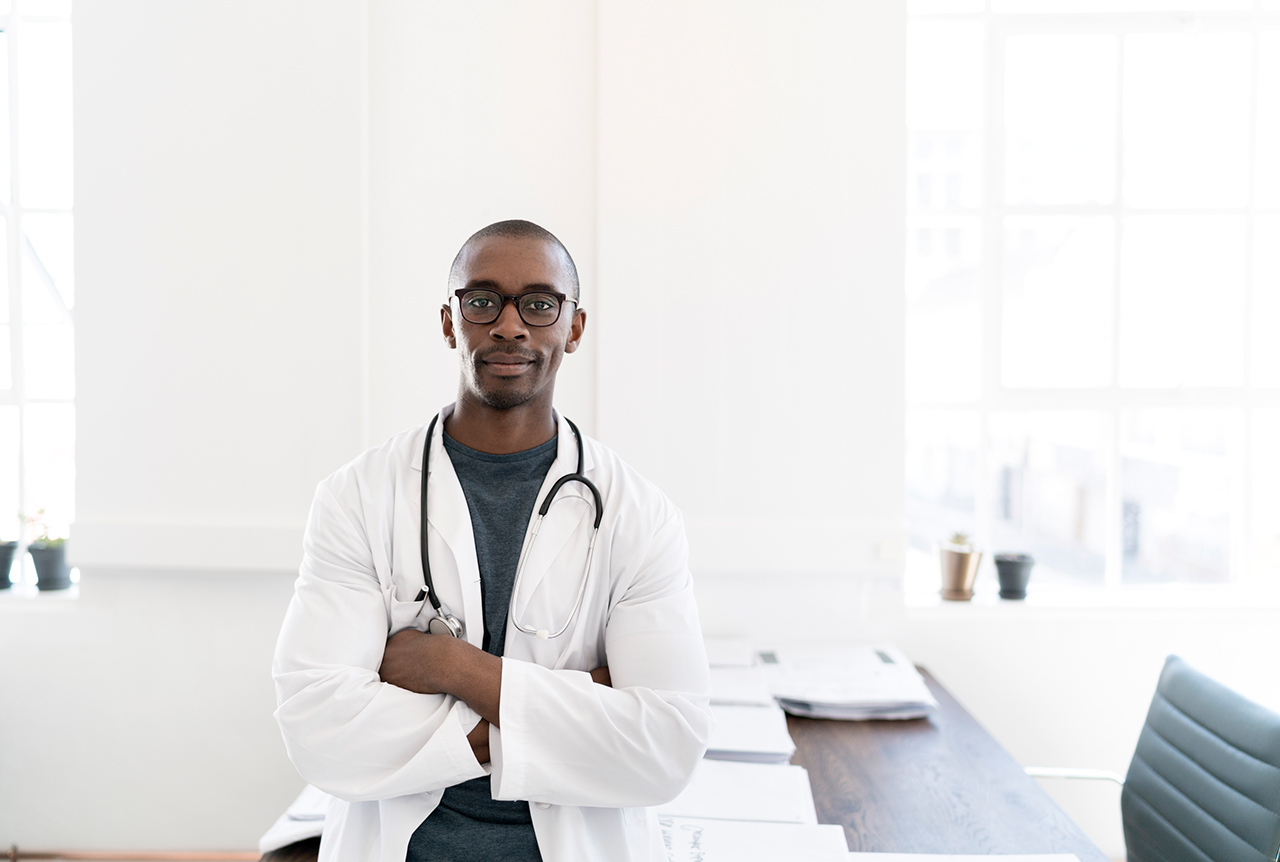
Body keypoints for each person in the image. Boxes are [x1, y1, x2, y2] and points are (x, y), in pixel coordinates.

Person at [272, 220, 713, 862]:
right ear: (451, 321)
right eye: (482, 301)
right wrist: (583, 697)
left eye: (539, 303)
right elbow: (318, 726)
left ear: (574, 327)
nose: (510, 325)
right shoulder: (358, 497)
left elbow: (666, 747)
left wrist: (455, 670)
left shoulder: (638, 515)